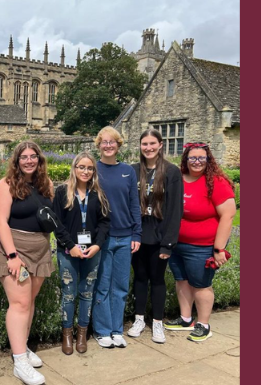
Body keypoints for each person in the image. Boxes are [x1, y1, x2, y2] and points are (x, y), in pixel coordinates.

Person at [0, 142, 56, 384]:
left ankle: (22, 347)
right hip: (14, 249)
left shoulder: (45, 185)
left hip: (39, 249)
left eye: (33, 157)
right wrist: (12, 256)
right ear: (16, 161)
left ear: (39, 160)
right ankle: (19, 362)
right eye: (24, 157)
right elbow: (0, 223)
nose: (29, 161)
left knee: (28, 303)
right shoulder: (5, 185)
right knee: (19, 304)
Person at [168, 142, 234, 342]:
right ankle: (186, 318)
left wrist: (219, 248)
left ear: (208, 160)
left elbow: (229, 215)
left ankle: (203, 324)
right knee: (182, 281)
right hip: (176, 244)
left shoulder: (216, 182)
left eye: (201, 158)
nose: (196, 162)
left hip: (202, 246)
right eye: (192, 158)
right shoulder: (178, 179)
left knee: (201, 284)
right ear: (186, 160)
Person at [127, 129, 183, 344]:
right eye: (144, 144)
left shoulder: (171, 172)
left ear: (160, 145)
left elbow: (175, 210)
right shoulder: (133, 171)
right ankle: (139, 319)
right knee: (140, 278)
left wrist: (168, 244)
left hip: (159, 238)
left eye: (152, 143)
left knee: (157, 280)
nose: (148, 148)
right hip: (138, 237)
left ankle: (157, 322)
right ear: (140, 146)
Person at [52, 153, 110, 355]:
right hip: (68, 251)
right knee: (69, 294)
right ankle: (67, 333)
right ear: (74, 168)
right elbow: (56, 224)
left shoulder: (98, 194)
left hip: (92, 251)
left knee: (87, 293)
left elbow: (104, 223)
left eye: (90, 168)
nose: (85, 171)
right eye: (81, 167)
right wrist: (70, 246)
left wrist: (98, 245)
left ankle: (82, 333)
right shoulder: (61, 192)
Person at [92, 126, 142, 349]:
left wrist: (136, 233)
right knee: (102, 286)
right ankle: (101, 330)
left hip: (125, 236)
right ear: (99, 145)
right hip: (103, 238)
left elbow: (134, 203)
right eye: (104, 142)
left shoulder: (128, 171)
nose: (108, 145)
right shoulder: (93, 169)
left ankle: (116, 329)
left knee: (120, 287)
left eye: (112, 142)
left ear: (118, 145)